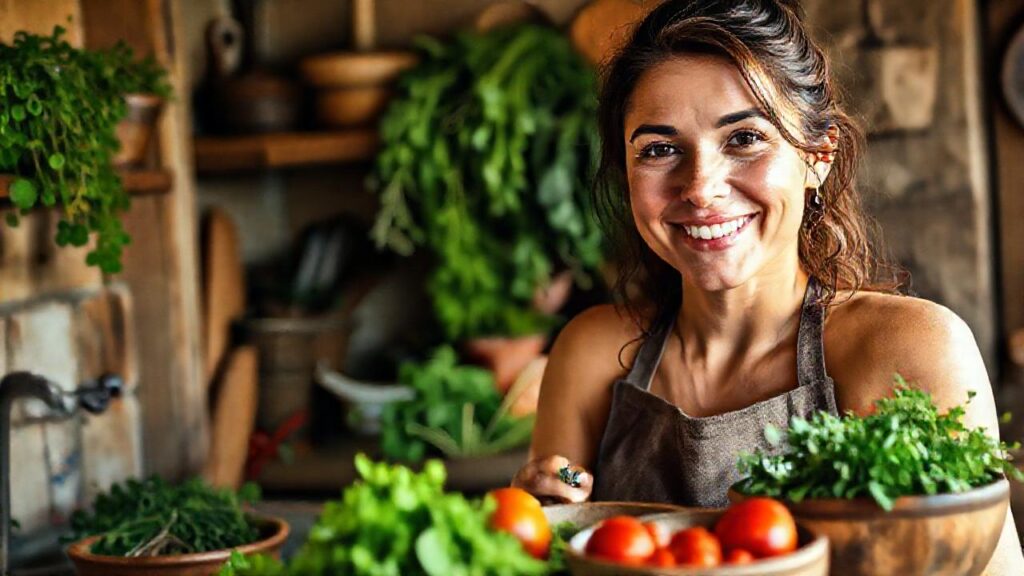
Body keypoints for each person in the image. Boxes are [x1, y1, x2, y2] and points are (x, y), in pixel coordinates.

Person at [511, 0, 1024, 572]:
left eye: (744, 139)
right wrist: (537, 516)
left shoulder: (910, 347)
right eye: (659, 149)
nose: (701, 187)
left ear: (818, 157)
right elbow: (552, 545)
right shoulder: (589, 353)